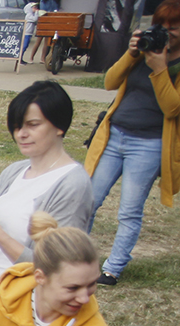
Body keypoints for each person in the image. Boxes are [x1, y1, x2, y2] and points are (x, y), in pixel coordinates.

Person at [0, 80, 93, 314]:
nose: (22, 134)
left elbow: (56, 269)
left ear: (59, 126)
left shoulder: (72, 185)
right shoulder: (14, 171)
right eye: (17, 127)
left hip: (28, 312)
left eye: (33, 125)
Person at [84, 0, 180, 286]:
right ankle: (76, 260)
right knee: (88, 200)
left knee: (129, 210)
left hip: (149, 144)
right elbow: (110, 82)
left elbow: (172, 108)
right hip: (114, 135)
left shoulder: (172, 64)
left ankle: (112, 268)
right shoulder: (144, 52)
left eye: (174, 27)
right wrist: (131, 53)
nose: (166, 32)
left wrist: (160, 69)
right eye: (161, 25)